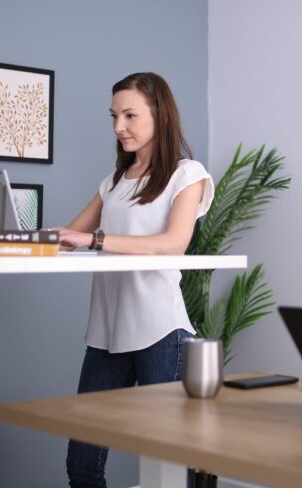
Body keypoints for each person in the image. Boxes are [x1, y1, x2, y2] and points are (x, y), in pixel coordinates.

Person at [54, 72, 213, 487]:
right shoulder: (113, 182)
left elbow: (173, 243)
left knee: (166, 463)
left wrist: (95, 239)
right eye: (113, 116)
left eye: (129, 115)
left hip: (161, 331)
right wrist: (4, 238)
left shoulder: (187, 174)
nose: (117, 127)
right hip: (107, 333)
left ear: (160, 116)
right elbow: (67, 240)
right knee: (82, 465)